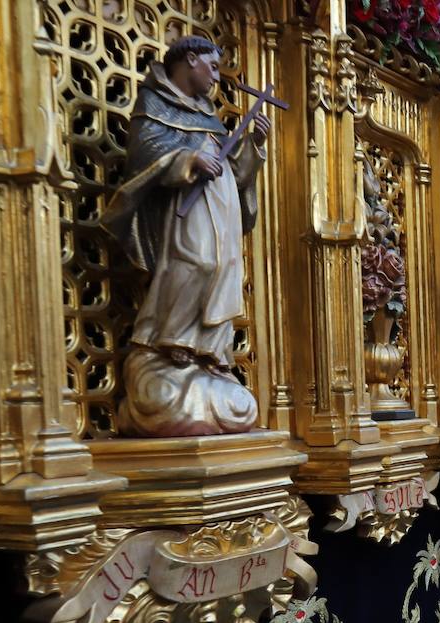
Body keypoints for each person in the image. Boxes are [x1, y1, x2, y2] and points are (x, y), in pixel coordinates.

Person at [102, 35, 269, 437]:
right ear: (189, 59)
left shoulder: (207, 115)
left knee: (223, 270)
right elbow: (143, 155)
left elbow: (236, 173)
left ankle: (209, 353)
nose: (216, 76)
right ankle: (167, 340)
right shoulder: (154, 104)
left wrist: (254, 144)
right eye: (211, 66)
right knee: (195, 264)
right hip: (184, 218)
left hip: (222, 220)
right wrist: (187, 159)